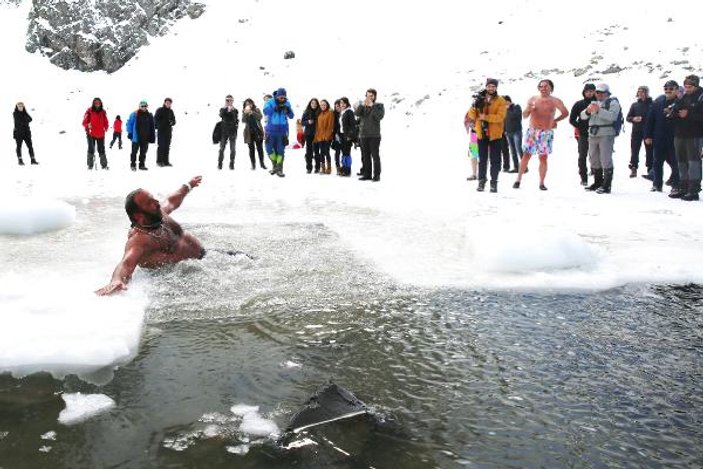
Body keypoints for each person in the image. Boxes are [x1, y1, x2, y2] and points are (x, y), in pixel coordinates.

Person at [95, 176, 204, 296]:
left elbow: (171, 201)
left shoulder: (158, 213)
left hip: (204, 258)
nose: (156, 203)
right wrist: (117, 280)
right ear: (138, 216)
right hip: (184, 280)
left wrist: (188, 185)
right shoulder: (139, 240)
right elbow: (126, 263)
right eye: (149, 203)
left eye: (153, 199)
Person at [513, 79, 569, 191]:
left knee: (543, 158)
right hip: (532, 131)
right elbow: (524, 115)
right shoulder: (533, 99)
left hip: (546, 132)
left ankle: (542, 183)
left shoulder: (555, 101)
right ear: (538, 88)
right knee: (526, 155)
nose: (543, 88)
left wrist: (555, 120)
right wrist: (529, 109)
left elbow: (565, 112)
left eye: (546, 86)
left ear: (551, 88)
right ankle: (518, 179)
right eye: (541, 86)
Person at [467, 79, 507, 192]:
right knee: (482, 159)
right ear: (486, 86)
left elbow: (500, 117)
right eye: (489, 86)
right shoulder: (480, 98)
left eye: (493, 86)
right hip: (481, 134)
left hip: (495, 135)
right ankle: (481, 181)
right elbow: (472, 115)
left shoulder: (501, 100)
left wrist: (486, 118)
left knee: (495, 160)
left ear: (496, 88)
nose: (491, 88)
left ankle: (494, 182)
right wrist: (474, 106)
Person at [581, 83, 621, 194]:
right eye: (597, 92)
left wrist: (598, 110)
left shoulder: (613, 103)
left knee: (605, 158)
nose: (599, 94)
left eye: (601, 92)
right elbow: (582, 116)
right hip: (593, 133)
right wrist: (588, 111)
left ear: (607, 93)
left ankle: (607, 185)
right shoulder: (594, 103)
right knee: (594, 158)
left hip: (606, 133)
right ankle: (597, 182)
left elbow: (613, 116)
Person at [670, 74, 703, 201]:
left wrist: (688, 114)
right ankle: (683, 187)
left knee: (693, 162)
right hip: (680, 134)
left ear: (696, 85)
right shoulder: (684, 96)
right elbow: (677, 109)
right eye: (685, 86)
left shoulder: (700, 97)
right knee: (681, 161)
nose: (687, 89)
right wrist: (672, 112)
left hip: (694, 135)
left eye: (689, 87)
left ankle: (693, 189)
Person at [644, 80, 680, 193]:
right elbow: (650, 120)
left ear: (676, 90)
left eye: (671, 89)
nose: (668, 91)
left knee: (675, 162)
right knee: (657, 161)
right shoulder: (658, 102)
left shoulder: (680, 102)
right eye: (666, 88)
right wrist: (647, 135)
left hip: (675, 137)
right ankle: (657, 184)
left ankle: (676, 184)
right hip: (659, 136)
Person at [355, 88, 385, 182]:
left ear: (375, 97)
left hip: (374, 136)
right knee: (366, 156)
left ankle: (377, 175)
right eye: (367, 95)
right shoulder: (363, 106)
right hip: (363, 135)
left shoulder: (379, 106)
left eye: (371, 96)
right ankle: (367, 174)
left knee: (375, 156)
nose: (369, 97)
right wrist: (362, 105)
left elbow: (379, 117)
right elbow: (357, 113)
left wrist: (372, 106)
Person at [263, 87, 294, 177]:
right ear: (277, 96)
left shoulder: (287, 103)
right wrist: (274, 108)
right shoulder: (270, 102)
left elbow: (291, 116)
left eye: (284, 97)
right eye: (281, 97)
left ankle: (279, 169)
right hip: (270, 131)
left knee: (281, 151)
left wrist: (289, 110)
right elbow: (265, 111)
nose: (282, 99)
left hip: (282, 131)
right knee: (269, 149)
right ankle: (274, 165)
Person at [569, 84, 597, 186]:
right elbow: (571, 120)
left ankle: (597, 174)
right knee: (582, 156)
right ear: (584, 92)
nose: (589, 93)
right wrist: (580, 127)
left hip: (598, 134)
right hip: (583, 135)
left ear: (595, 92)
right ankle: (583, 177)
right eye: (587, 91)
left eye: (591, 91)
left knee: (597, 156)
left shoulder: (599, 103)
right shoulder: (578, 104)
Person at [626, 86, 653, 178]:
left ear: (647, 93)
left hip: (648, 131)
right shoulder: (635, 105)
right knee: (634, 149)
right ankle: (634, 168)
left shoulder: (652, 104)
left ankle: (650, 169)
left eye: (642, 92)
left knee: (649, 150)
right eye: (639, 92)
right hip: (636, 131)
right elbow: (628, 117)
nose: (640, 93)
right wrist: (634, 118)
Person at [126, 100, 156, 171]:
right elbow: (129, 123)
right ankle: (133, 165)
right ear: (139, 106)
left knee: (143, 152)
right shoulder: (134, 114)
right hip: (136, 137)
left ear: (147, 106)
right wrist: (130, 132)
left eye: (145, 106)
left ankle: (142, 165)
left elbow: (152, 126)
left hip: (145, 137)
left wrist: (152, 136)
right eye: (142, 106)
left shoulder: (149, 115)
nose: (144, 107)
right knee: (134, 152)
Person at [82, 97, 109, 170]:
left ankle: (104, 165)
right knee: (91, 149)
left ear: (101, 104)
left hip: (100, 134)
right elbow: (84, 122)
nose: (97, 105)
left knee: (101, 150)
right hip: (91, 134)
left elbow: (106, 121)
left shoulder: (103, 112)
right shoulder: (89, 111)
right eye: (96, 103)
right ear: (93, 104)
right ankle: (90, 165)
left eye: (98, 103)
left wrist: (105, 127)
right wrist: (87, 125)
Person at [242, 98, 266, 170]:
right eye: (247, 104)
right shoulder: (244, 111)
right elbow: (243, 121)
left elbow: (260, 117)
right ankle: (253, 165)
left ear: (252, 104)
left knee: (260, 149)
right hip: (249, 133)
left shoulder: (257, 110)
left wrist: (252, 112)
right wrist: (245, 113)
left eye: (249, 104)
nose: (248, 105)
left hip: (257, 132)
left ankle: (262, 164)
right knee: (251, 149)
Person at [314, 99, 335, 174]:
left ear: (327, 105)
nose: (323, 106)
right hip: (320, 136)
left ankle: (329, 168)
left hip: (327, 137)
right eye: (321, 105)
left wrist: (327, 136)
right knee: (321, 152)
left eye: (324, 105)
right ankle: (322, 168)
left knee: (327, 152)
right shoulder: (319, 114)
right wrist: (316, 136)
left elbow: (330, 125)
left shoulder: (330, 113)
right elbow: (317, 126)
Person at [154, 98, 176, 167]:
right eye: (167, 102)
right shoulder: (160, 110)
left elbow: (174, 121)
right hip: (161, 131)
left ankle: (166, 161)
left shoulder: (171, 111)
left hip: (168, 131)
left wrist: (172, 122)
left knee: (167, 146)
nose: (168, 104)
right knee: (161, 146)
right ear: (164, 103)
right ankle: (159, 161)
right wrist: (160, 125)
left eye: (169, 103)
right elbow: (155, 119)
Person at [218, 95, 238, 170]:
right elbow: (221, 115)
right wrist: (225, 107)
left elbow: (235, 118)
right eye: (227, 100)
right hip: (224, 131)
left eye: (231, 100)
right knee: (222, 148)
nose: (229, 102)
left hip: (232, 131)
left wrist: (231, 110)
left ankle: (232, 163)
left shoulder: (235, 110)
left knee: (233, 149)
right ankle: (220, 163)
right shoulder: (222, 109)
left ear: (233, 101)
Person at [503, 95, 522, 173]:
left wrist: (508, 108)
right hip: (508, 133)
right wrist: (504, 130)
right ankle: (516, 167)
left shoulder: (517, 107)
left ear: (509, 101)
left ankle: (524, 167)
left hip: (516, 132)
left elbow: (513, 116)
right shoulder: (504, 110)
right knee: (513, 151)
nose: (504, 104)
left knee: (518, 149)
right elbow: (504, 121)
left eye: (505, 102)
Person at [301, 98, 320, 173]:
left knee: (317, 151)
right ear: (310, 104)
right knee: (309, 151)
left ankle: (317, 167)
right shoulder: (306, 112)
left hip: (317, 134)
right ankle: (309, 167)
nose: (314, 104)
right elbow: (302, 122)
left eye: (315, 103)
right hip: (308, 134)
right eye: (312, 103)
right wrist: (308, 122)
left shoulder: (319, 112)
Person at [338, 97, 356, 177]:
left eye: (343, 103)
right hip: (342, 135)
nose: (342, 104)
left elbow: (353, 125)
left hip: (347, 135)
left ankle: (347, 170)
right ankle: (344, 168)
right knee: (344, 152)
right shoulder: (342, 112)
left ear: (347, 103)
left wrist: (350, 136)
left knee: (347, 153)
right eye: (341, 103)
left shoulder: (349, 112)